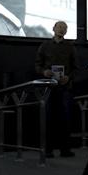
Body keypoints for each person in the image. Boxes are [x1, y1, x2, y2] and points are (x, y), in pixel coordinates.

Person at [35, 21, 77, 158]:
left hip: (64, 88)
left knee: (65, 119)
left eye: (64, 28)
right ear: (53, 28)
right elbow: (37, 65)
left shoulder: (70, 47)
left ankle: (65, 149)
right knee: (48, 118)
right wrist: (44, 72)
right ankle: (48, 150)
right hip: (48, 87)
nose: (62, 30)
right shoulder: (45, 46)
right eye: (59, 27)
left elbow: (76, 68)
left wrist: (68, 77)